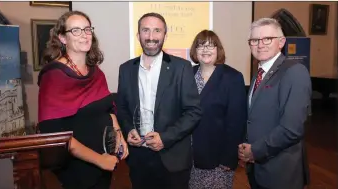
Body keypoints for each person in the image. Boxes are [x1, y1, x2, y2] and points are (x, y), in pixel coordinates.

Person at [37, 11, 128, 189]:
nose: (84, 35)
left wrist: (119, 136)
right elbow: (55, 134)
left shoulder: (96, 72)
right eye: (76, 31)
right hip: (78, 167)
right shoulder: (53, 76)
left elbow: (108, 110)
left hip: (105, 158)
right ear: (63, 38)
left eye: (87, 29)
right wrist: (99, 160)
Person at [116, 12, 202, 189]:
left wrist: (165, 137)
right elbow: (122, 107)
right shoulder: (126, 69)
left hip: (172, 157)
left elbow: (193, 112)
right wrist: (129, 129)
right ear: (138, 35)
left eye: (157, 31)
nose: (151, 37)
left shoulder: (181, 67)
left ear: (165, 35)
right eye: (145, 30)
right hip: (139, 158)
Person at [238, 18, 311, 189]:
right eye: (254, 40)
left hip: (281, 172)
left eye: (267, 39)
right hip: (257, 168)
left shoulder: (295, 71)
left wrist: (255, 151)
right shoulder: (260, 73)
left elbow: (292, 129)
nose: (260, 45)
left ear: (281, 42)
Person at [188, 30, 247, 189]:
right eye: (201, 46)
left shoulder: (233, 77)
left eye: (211, 46)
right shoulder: (187, 74)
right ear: (195, 51)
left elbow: (237, 121)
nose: (206, 50)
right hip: (188, 157)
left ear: (218, 50)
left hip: (217, 159)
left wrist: (229, 158)